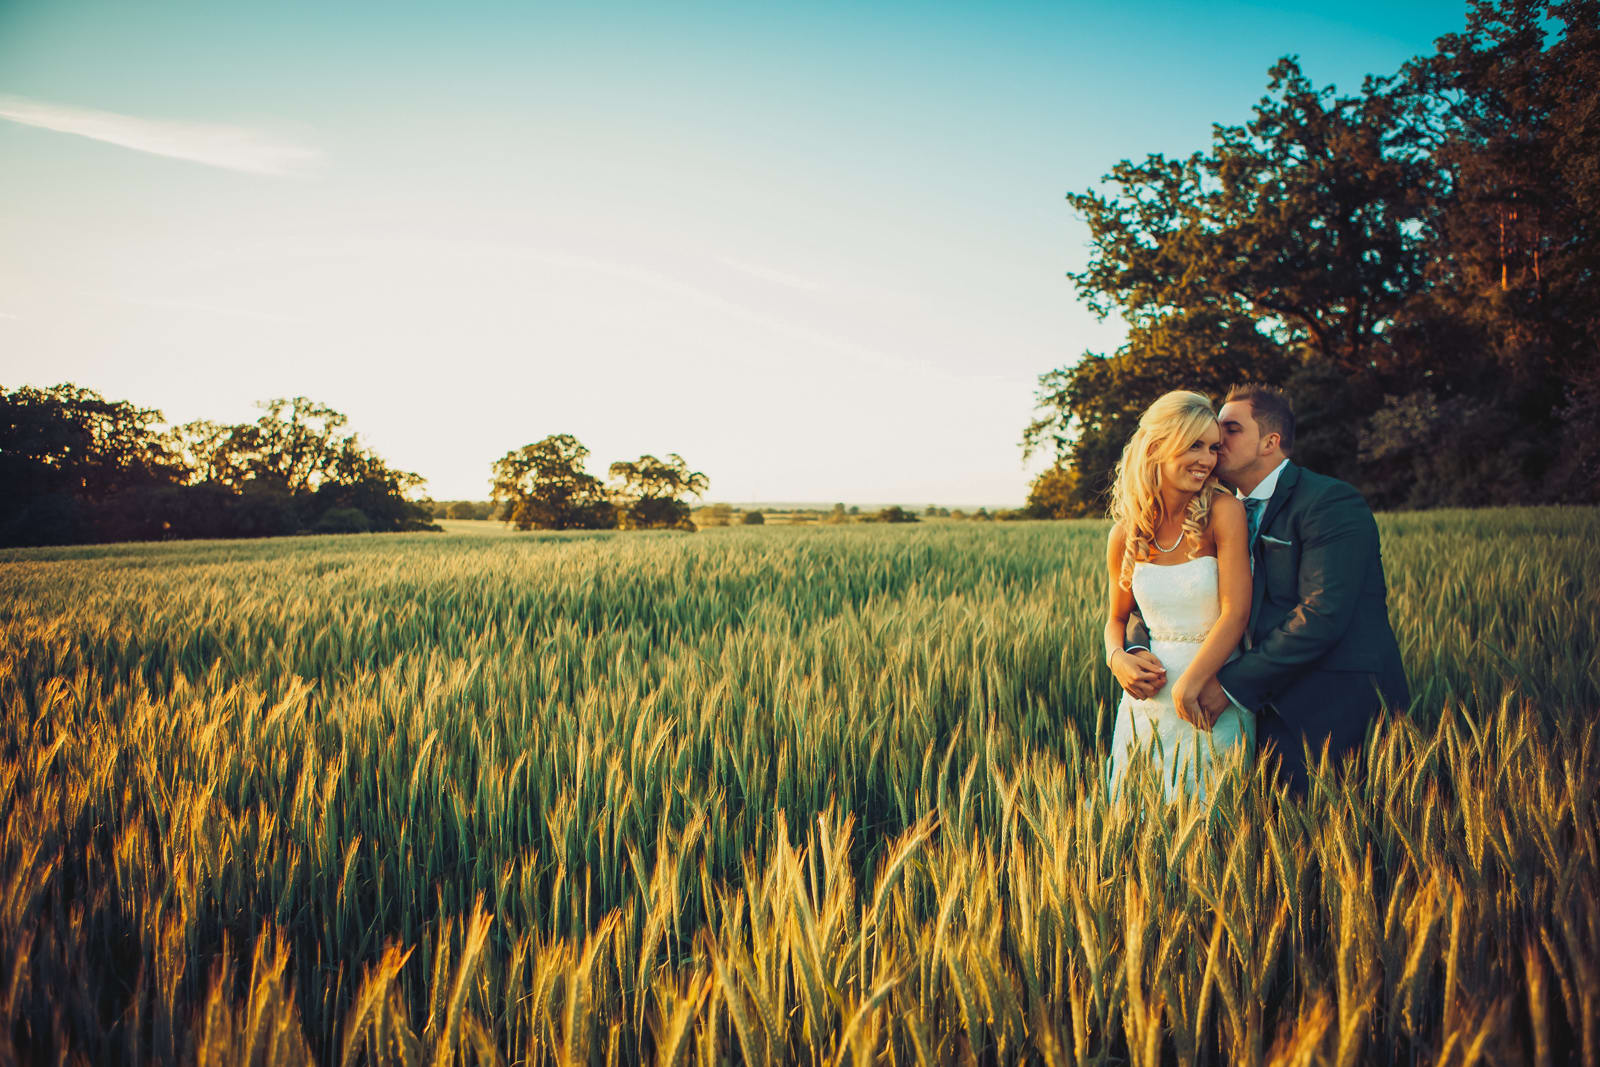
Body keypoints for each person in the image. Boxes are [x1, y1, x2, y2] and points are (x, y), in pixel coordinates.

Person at [1185, 383, 1410, 795]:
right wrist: (1130, 649)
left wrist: (1232, 685)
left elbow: (1322, 614)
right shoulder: (1209, 511)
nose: (1216, 438)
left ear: (1270, 442)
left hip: (1330, 709)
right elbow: (1155, 596)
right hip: (1249, 714)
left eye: (1231, 429)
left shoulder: (1328, 502)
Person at [1103, 391, 1254, 802]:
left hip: (1210, 697)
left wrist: (1192, 683)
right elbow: (1117, 618)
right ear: (1157, 448)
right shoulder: (1126, 535)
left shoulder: (1224, 512)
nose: (1207, 459)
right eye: (1194, 445)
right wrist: (1116, 658)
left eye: (1213, 447)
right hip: (1146, 704)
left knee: (1215, 829)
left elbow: (1236, 612)